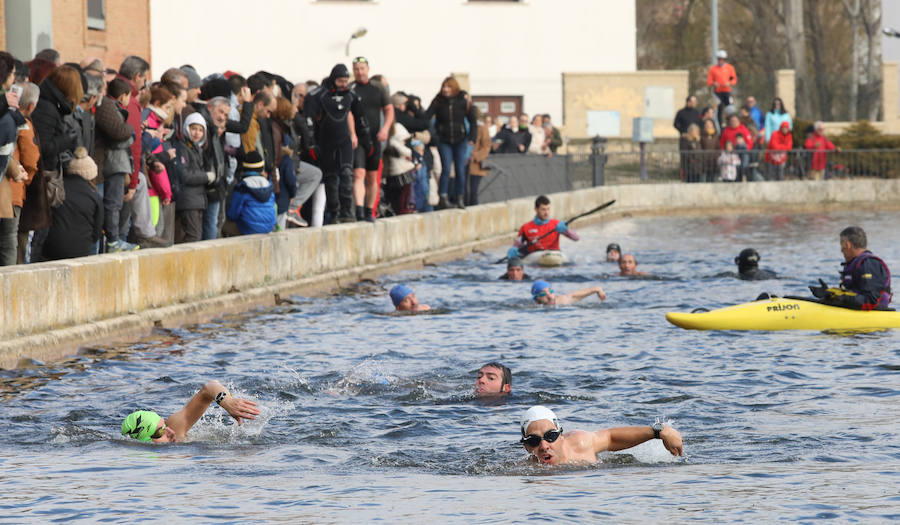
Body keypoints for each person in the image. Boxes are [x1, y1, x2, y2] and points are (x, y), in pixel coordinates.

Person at [304, 64, 372, 223]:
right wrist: (311, 144)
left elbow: (361, 118)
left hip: (345, 142)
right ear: (333, 79)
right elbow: (309, 121)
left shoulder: (351, 95)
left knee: (347, 174)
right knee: (331, 178)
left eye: (346, 81)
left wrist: (367, 140)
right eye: (341, 81)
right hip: (326, 143)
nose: (344, 84)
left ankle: (347, 211)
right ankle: (334, 212)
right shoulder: (319, 95)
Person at [519, 405, 683, 465]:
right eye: (534, 440)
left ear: (561, 436)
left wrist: (660, 431)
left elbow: (611, 437)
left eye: (551, 436)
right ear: (526, 447)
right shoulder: (525, 470)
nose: (544, 446)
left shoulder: (580, 443)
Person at [121, 379, 260, 443]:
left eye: (164, 425)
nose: (169, 431)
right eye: (160, 432)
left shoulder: (174, 428)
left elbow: (209, 387)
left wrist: (226, 400)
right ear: (144, 441)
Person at [350, 57, 393, 222]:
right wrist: (352, 133)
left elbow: (389, 110)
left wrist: (385, 129)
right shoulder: (351, 89)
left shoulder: (378, 88)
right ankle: (359, 209)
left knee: (372, 177)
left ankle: (369, 210)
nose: (359, 72)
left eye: (362, 68)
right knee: (358, 173)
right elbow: (349, 114)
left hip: (375, 137)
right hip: (359, 139)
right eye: (356, 69)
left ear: (368, 69)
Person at [424, 76, 476, 209]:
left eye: (449, 87)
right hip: (444, 140)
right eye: (444, 87)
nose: (446, 90)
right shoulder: (438, 102)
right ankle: (443, 196)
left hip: (460, 140)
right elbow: (426, 117)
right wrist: (434, 135)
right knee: (446, 168)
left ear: (454, 88)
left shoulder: (463, 101)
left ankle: (460, 197)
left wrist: (472, 137)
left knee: (460, 169)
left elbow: (473, 120)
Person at [810, 226, 891, 310]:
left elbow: (870, 301)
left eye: (841, 244)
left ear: (847, 245)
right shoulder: (854, 263)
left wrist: (840, 297)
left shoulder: (869, 264)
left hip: (873, 314)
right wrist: (829, 294)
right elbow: (851, 295)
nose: (841, 250)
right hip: (853, 311)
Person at [43, 148, 103, 260]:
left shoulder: (58, 190)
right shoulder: (94, 196)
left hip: (52, 249)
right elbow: (97, 231)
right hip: (82, 251)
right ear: (91, 174)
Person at [507, 195, 579, 259]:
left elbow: (576, 238)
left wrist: (567, 230)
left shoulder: (557, 225)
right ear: (536, 209)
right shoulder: (525, 228)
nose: (546, 213)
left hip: (555, 256)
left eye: (548, 209)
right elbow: (517, 246)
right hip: (534, 258)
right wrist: (513, 249)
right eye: (543, 209)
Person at [226, 151, 276, 235]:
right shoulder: (268, 185)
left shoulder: (242, 187)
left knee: (224, 226)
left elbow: (232, 214)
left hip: (249, 229)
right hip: (269, 228)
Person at [707, 50, 737, 126]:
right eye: (719, 59)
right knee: (718, 110)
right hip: (718, 92)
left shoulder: (730, 68)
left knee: (730, 109)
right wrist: (714, 83)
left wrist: (729, 83)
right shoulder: (713, 69)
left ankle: (730, 124)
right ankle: (719, 126)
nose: (720, 60)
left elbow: (734, 79)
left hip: (727, 91)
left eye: (722, 59)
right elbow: (709, 81)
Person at [531, 279, 606, 306]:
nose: (550, 297)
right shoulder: (532, 308)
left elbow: (573, 295)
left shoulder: (562, 301)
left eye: (551, 291)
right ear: (537, 299)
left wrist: (597, 289)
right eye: (544, 294)